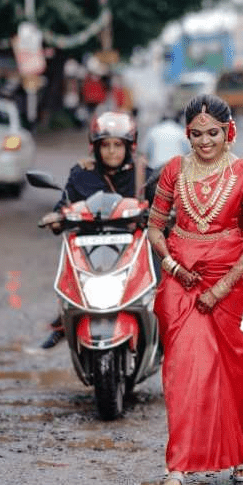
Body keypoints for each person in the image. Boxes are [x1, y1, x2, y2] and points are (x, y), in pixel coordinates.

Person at [147, 93, 243, 485]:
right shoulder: (173, 170)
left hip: (227, 282)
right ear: (187, 134)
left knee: (228, 368)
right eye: (197, 134)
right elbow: (154, 229)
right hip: (180, 282)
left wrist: (220, 288)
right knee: (181, 371)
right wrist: (172, 267)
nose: (205, 142)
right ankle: (177, 469)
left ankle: (237, 450)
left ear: (228, 132)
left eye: (213, 133)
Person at [39, 111, 147, 348]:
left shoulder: (142, 174)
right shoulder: (82, 174)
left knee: (162, 289)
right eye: (105, 145)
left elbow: (163, 200)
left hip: (132, 249)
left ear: (129, 146)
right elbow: (64, 205)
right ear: (95, 147)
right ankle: (64, 321)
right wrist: (56, 218)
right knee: (69, 277)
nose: (111, 151)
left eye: (118, 144)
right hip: (90, 247)